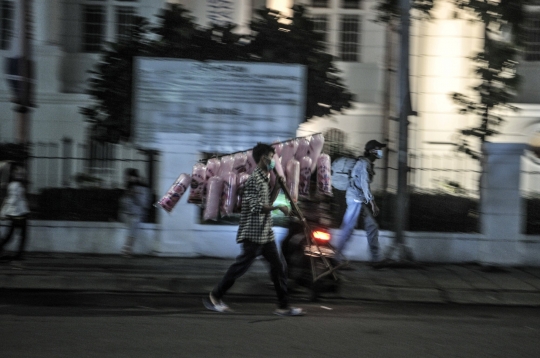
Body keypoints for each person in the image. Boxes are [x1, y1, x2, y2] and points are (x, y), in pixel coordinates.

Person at [205, 143, 304, 316]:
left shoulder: (264, 178)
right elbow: (255, 206)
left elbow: (267, 202)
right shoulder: (254, 180)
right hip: (253, 232)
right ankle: (214, 297)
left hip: (265, 233)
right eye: (271, 157)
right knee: (240, 268)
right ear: (262, 158)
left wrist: (278, 187)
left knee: (279, 267)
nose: (273, 160)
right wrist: (279, 208)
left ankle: (283, 306)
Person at [333, 139, 386, 264]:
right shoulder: (364, 164)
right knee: (348, 227)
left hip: (358, 199)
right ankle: (336, 257)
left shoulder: (366, 163)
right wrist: (373, 204)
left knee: (372, 226)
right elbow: (364, 184)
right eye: (379, 149)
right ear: (373, 151)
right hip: (355, 199)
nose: (380, 152)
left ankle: (376, 259)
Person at [0, 162, 30, 261]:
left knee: (12, 235)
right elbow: (12, 200)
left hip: (18, 213)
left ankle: (19, 254)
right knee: (20, 235)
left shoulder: (16, 184)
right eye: (17, 171)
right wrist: (5, 212)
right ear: (12, 173)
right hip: (19, 214)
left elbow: (11, 199)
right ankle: (19, 254)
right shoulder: (15, 185)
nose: (20, 172)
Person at [119, 168, 149, 257]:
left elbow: (144, 203)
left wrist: (135, 194)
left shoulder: (142, 188)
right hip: (127, 214)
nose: (127, 178)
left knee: (132, 230)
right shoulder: (129, 186)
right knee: (131, 230)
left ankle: (127, 249)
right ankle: (127, 249)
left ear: (134, 177)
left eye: (128, 176)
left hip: (136, 214)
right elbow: (123, 201)